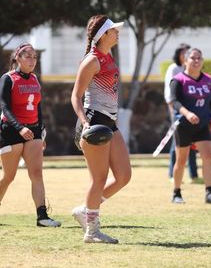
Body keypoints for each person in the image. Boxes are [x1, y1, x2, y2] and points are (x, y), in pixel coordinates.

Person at [71, 15, 132, 244]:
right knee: (99, 178)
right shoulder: (92, 60)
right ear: (103, 35)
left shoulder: (109, 56)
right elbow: (75, 97)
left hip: (110, 122)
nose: (117, 33)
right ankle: (92, 231)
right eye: (113, 30)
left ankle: (86, 210)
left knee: (124, 175)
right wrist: (85, 123)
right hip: (94, 122)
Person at [0, 43, 61, 227]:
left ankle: (42, 217)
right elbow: (4, 107)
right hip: (11, 130)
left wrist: (40, 131)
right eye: (28, 56)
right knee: (9, 176)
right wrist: (19, 128)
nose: (32, 60)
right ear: (17, 58)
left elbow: (38, 107)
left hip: (32, 130)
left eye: (35, 57)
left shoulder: (34, 79)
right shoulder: (8, 78)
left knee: (36, 173)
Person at [170, 47, 211, 204]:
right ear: (185, 61)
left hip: (202, 125)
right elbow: (175, 102)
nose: (196, 61)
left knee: (207, 156)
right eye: (193, 58)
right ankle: (176, 193)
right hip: (184, 125)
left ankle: (209, 192)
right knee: (181, 160)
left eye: (199, 58)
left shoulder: (208, 79)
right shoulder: (178, 80)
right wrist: (187, 114)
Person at [164, 44, 202, 183]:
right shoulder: (173, 69)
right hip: (178, 111)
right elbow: (169, 92)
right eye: (184, 53)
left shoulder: (190, 69)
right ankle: (172, 174)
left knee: (192, 144)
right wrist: (172, 110)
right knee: (178, 144)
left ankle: (194, 174)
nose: (186, 55)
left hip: (191, 111)